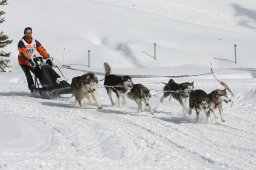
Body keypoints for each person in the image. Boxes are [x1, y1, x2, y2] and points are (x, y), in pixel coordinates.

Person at [18, 27, 53, 92]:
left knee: (38, 73)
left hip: (31, 61)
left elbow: (42, 50)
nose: (28, 34)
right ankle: (32, 88)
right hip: (23, 62)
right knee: (28, 75)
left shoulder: (34, 41)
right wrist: (29, 59)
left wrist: (47, 57)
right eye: (27, 33)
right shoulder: (21, 42)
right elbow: (23, 53)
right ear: (24, 33)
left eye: (30, 33)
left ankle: (46, 86)